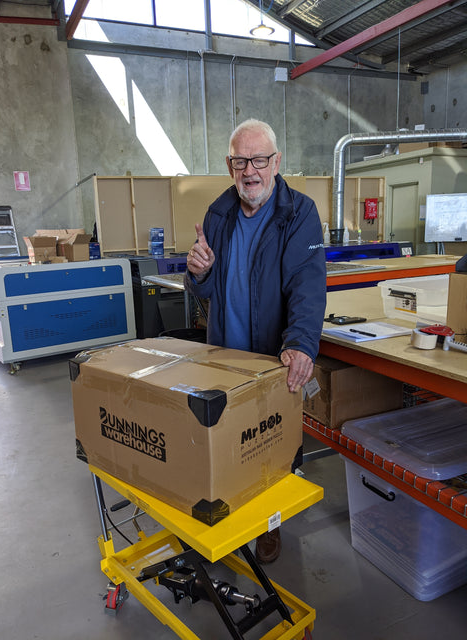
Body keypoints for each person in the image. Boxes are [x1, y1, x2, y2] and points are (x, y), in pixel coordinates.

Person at [184, 118, 326, 563]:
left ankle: (271, 525)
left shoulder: (298, 213)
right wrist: (199, 272)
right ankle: (229, 512)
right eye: (241, 161)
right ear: (230, 165)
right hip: (225, 354)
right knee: (229, 442)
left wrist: (302, 342)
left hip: (271, 357)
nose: (251, 171)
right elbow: (203, 293)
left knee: (273, 445)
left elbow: (307, 283)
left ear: (276, 162)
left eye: (260, 160)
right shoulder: (217, 215)